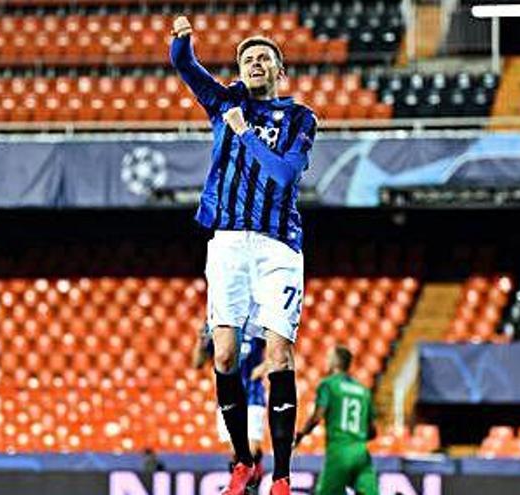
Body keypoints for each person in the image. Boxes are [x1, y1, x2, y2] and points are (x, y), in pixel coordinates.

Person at [170, 14, 317, 495]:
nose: (255, 63)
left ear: (280, 72)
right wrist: (181, 42)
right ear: (239, 70)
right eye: (247, 58)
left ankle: (281, 475)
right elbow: (187, 69)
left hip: (278, 246)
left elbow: (282, 176)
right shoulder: (225, 101)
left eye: (264, 58)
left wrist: (245, 133)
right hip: (228, 242)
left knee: (279, 354)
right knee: (227, 353)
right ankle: (241, 463)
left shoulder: (300, 118)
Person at [192, 323, 268, 491]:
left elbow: (277, 349)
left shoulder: (255, 324)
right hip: (227, 396)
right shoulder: (219, 328)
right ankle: (243, 489)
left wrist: (264, 367)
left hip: (253, 395)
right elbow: (197, 363)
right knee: (236, 453)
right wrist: (200, 341)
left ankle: (251, 488)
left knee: (251, 450)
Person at [294, 346, 379, 495]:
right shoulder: (364, 391)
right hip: (361, 452)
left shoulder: (329, 384)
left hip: (339, 451)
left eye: (329, 358)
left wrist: (301, 435)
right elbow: (372, 431)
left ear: (335, 362)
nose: (326, 361)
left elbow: (317, 416)